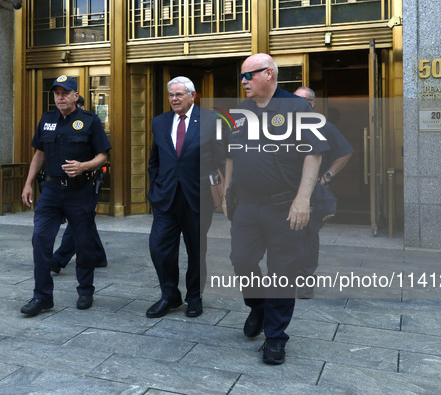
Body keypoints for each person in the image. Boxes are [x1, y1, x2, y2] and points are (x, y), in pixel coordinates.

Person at [222, 54, 329, 364]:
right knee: (241, 261)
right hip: (247, 205)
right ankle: (257, 306)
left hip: (284, 206)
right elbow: (231, 153)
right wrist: (228, 193)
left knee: (283, 272)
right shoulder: (241, 112)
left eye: (248, 75)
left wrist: (302, 200)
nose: (243, 82)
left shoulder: (297, 108)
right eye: (242, 76)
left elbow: (314, 155)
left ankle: (276, 337)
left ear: (268, 74)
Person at [20, 75, 111, 316]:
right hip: (50, 190)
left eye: (65, 92)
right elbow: (39, 154)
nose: (60, 97)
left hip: (79, 190)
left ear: (75, 95)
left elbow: (103, 156)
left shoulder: (89, 121)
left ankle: (85, 290)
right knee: (40, 239)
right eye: (56, 93)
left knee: (83, 242)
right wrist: (28, 183)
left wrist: (83, 166)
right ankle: (42, 297)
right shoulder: (46, 119)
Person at [146, 76, 219, 319]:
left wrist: (219, 192)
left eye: (179, 94)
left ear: (192, 95)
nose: (174, 99)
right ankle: (169, 295)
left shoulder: (211, 121)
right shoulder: (159, 122)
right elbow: (154, 160)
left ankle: (194, 296)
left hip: (197, 198)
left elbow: (222, 160)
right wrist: (154, 188)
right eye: (171, 95)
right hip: (165, 198)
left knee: (196, 250)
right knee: (159, 248)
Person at [293, 87, 353, 299]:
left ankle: (305, 280)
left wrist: (327, 175)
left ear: (312, 104)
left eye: (303, 101)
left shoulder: (322, 126)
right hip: (288, 190)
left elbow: (345, 152)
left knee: (307, 235)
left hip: (313, 192)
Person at [50, 95, 108, 274]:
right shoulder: (61, 124)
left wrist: (84, 167)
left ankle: (59, 259)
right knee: (86, 218)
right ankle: (98, 255)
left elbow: (101, 153)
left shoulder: (91, 123)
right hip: (66, 184)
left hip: (87, 181)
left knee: (80, 220)